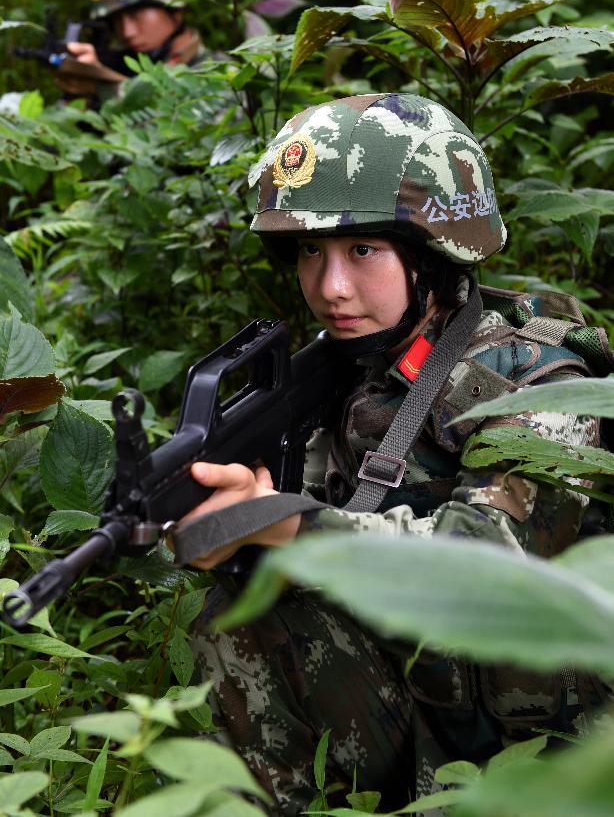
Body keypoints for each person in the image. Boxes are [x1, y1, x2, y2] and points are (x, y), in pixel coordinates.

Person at [175, 93, 609, 814]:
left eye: (363, 250)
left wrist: (295, 527)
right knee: (238, 610)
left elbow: (491, 559)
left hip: (552, 742)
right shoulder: (348, 371)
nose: (330, 287)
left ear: (438, 254)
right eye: (310, 251)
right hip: (423, 691)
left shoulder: (537, 379)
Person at [57, 0, 204, 101]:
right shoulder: (123, 67)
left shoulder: (217, 74)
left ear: (176, 7)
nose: (127, 32)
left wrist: (102, 87)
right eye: (116, 20)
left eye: (136, 15)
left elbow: (177, 114)